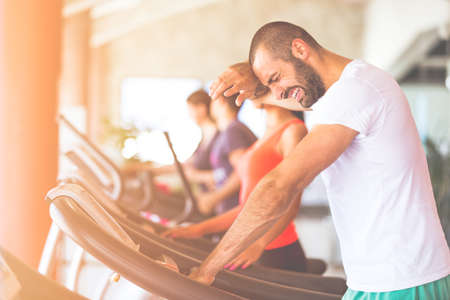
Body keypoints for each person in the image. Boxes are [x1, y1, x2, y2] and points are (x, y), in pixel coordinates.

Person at [189, 21, 450, 300]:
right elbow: (290, 98)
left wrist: (207, 270)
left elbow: (278, 187)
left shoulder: (355, 92)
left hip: (404, 282)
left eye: (275, 77)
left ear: (300, 49)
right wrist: (257, 79)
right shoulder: (343, 93)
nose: (275, 95)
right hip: (379, 279)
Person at [163, 96, 308, 272]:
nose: (249, 92)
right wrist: (199, 229)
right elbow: (250, 209)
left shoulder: (293, 131)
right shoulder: (267, 133)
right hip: (251, 245)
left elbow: (291, 203)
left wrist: (260, 242)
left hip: (275, 251)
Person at [122, 89, 219, 192]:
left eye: (190, 109)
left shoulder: (218, 136)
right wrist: (151, 170)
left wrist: (197, 176)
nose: (189, 115)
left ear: (201, 108)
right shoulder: (205, 138)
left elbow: (225, 173)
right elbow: (186, 165)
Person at [193, 94, 257, 215]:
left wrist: (215, 197)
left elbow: (242, 172)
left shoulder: (233, 130)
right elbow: (227, 171)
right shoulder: (229, 130)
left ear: (220, 101)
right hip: (229, 208)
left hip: (236, 209)